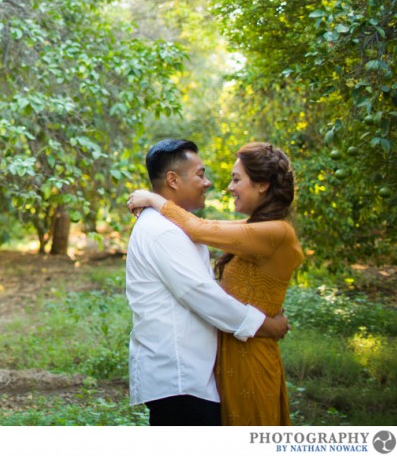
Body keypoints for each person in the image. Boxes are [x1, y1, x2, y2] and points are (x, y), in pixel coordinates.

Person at [128, 141, 304, 426]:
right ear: (173, 179)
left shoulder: (270, 231)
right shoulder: (163, 231)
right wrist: (265, 324)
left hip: (218, 365)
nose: (213, 184)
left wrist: (154, 199)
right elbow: (202, 294)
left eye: (236, 179)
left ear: (262, 185)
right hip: (182, 375)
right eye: (201, 174)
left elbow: (203, 231)